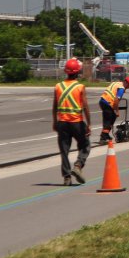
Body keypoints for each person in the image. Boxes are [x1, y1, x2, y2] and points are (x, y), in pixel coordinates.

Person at [52, 58, 91, 186]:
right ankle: (78, 166)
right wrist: (89, 124)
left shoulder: (58, 86)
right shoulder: (80, 87)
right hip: (77, 122)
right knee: (85, 145)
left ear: (66, 72)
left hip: (62, 122)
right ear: (78, 72)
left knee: (64, 151)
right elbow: (85, 106)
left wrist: (54, 121)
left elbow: (55, 106)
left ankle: (67, 177)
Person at [98, 75, 129, 145]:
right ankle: (103, 138)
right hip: (108, 103)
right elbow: (116, 100)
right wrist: (117, 111)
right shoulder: (121, 88)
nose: (128, 87)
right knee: (108, 120)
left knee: (110, 118)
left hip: (102, 101)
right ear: (127, 83)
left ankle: (105, 134)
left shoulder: (116, 83)